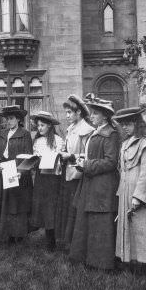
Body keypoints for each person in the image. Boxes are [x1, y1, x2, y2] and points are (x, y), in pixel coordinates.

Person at [113, 106, 146, 274]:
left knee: (143, 228)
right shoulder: (125, 143)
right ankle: (131, 262)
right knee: (129, 229)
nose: (125, 128)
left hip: (140, 192)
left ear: (138, 124)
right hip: (126, 190)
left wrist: (139, 196)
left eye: (128, 124)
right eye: (123, 124)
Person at [69, 95, 120, 271]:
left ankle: (102, 263)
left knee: (101, 222)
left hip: (103, 186)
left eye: (96, 114)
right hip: (90, 182)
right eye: (92, 113)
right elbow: (93, 155)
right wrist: (82, 160)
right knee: (88, 220)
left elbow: (111, 162)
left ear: (105, 117)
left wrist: (87, 165)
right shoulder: (95, 132)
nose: (92, 116)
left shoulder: (111, 135)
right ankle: (87, 259)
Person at [56, 95, 94, 251]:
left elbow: (88, 155)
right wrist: (62, 153)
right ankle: (68, 240)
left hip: (79, 175)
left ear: (78, 112)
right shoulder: (70, 128)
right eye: (66, 113)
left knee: (76, 208)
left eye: (69, 113)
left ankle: (77, 244)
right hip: (67, 173)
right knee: (68, 207)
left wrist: (71, 156)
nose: (67, 116)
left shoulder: (87, 130)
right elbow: (67, 147)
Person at [0, 105, 34, 244]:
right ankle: (7, 233)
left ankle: (19, 235)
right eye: (6, 119)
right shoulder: (2, 134)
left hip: (18, 173)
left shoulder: (25, 134)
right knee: (5, 203)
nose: (8, 121)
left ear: (18, 119)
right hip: (4, 170)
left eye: (11, 118)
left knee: (17, 204)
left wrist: (21, 171)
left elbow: (28, 156)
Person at [29, 110, 65, 250]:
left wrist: (54, 159)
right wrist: (34, 161)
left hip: (53, 178)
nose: (40, 128)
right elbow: (35, 158)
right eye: (38, 126)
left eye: (42, 125)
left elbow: (61, 159)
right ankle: (47, 236)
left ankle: (52, 240)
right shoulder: (37, 141)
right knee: (43, 207)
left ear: (49, 126)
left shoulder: (58, 140)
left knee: (52, 207)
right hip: (41, 178)